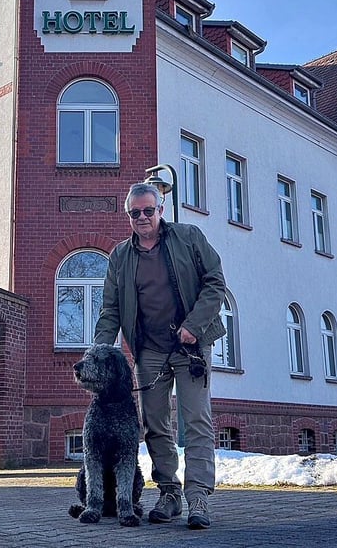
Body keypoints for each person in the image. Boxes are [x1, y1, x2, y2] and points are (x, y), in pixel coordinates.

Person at [93, 182, 227, 529]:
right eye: (134, 213)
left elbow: (215, 283)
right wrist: (101, 351)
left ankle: (197, 498)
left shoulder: (188, 237)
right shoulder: (121, 256)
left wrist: (194, 326)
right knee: (154, 424)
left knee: (196, 420)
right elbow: (110, 309)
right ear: (129, 216)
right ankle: (169, 492)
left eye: (148, 210)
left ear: (161, 210)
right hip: (149, 350)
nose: (142, 217)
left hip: (190, 346)